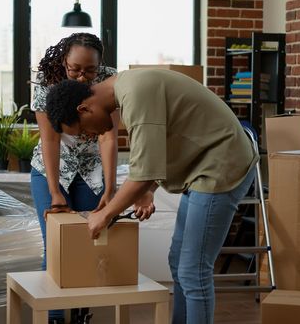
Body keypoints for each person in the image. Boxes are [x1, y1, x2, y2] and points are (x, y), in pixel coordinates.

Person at [45, 69, 257, 324]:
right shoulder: (128, 88)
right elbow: (160, 148)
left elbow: (143, 173)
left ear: (84, 109)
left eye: (82, 131)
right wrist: (148, 191)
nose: (88, 136)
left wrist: (104, 213)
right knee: (179, 263)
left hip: (221, 166)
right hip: (203, 167)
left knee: (193, 270)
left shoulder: (135, 94)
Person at [30, 32, 118, 324]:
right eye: (75, 69)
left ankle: (80, 317)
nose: (83, 77)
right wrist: (55, 191)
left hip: (93, 170)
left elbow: (107, 137)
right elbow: (50, 140)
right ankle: (55, 318)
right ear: (64, 60)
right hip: (53, 169)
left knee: (87, 244)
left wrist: (110, 186)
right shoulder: (45, 82)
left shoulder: (110, 81)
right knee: (54, 244)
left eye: (90, 70)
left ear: (100, 64)